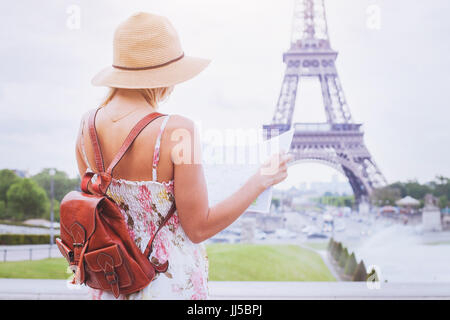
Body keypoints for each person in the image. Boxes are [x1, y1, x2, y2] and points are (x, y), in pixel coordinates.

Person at [75, 12, 291, 300]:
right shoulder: (177, 130)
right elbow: (199, 227)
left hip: (112, 283)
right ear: (162, 75)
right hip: (168, 284)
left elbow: (98, 209)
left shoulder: (87, 126)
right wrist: (260, 181)